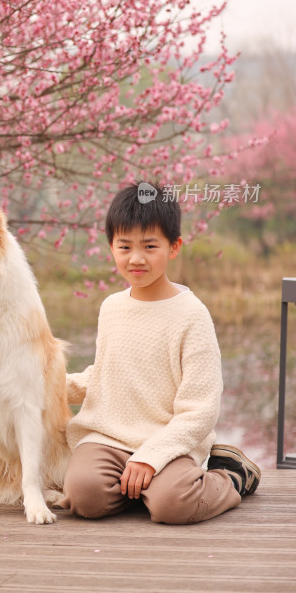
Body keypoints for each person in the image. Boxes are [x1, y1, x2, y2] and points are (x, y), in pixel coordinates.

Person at [61, 180, 260, 524]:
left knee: (173, 505)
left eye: (150, 246)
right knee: (83, 496)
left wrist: (151, 457)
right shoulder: (111, 307)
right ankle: (141, 488)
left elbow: (201, 408)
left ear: (174, 247)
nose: (136, 258)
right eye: (124, 246)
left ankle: (229, 476)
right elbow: (107, 373)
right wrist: (52, 384)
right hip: (108, 437)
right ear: (111, 246)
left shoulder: (192, 315)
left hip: (168, 441)